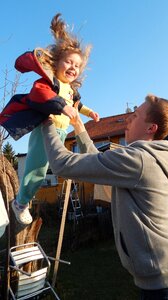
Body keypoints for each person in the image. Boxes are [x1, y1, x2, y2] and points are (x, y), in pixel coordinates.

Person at [42, 94, 168, 299]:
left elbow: (61, 164)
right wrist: (78, 122)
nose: (128, 119)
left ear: (151, 128)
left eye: (135, 116)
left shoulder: (138, 160)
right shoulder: (145, 158)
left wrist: (46, 122)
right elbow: (95, 159)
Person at [0, 13, 99, 225]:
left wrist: (89, 113)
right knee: (37, 167)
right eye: (68, 62)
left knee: (50, 167)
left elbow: (76, 105)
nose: (73, 68)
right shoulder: (49, 82)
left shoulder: (70, 90)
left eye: (77, 66)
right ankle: (21, 203)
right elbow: (40, 95)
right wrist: (62, 106)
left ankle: (24, 200)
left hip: (61, 134)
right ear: (56, 63)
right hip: (47, 129)